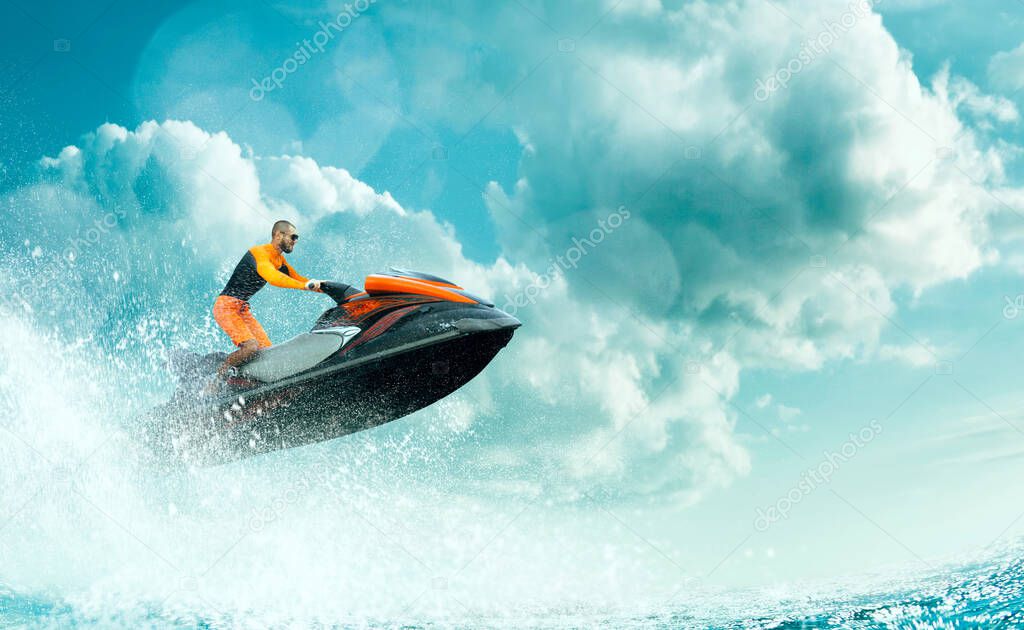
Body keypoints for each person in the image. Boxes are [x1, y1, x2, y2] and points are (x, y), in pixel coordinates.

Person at [212, 220, 322, 379]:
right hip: (226, 308)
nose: (295, 241)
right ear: (278, 235)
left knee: (267, 352)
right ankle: (217, 379)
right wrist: (304, 286)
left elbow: (299, 279)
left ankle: (246, 382)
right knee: (251, 347)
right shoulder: (260, 254)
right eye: (293, 236)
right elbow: (273, 278)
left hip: (242, 309)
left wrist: (326, 287)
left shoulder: (279, 260)